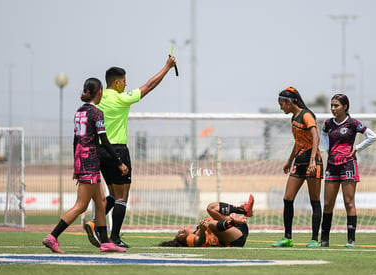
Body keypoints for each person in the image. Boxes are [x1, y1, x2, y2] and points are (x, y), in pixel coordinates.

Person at [84, 56, 177, 248]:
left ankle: (94, 223)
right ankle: (114, 237)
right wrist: (167, 67)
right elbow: (149, 86)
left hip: (100, 151)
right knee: (122, 197)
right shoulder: (121, 98)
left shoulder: (99, 99)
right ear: (116, 82)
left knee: (111, 194)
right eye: (125, 81)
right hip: (117, 150)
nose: (127, 84)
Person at [42, 78, 129, 253]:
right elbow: (104, 140)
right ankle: (52, 237)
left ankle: (105, 242)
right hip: (90, 162)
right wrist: (119, 163)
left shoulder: (79, 112)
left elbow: (76, 141)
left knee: (101, 201)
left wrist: (76, 166)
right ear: (100, 92)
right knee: (81, 205)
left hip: (84, 161)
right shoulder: (96, 113)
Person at [320, 94, 376, 248]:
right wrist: (328, 149)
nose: (333, 108)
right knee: (327, 204)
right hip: (332, 165)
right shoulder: (328, 123)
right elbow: (324, 133)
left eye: (336, 105)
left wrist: (357, 148)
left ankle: (351, 240)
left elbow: (373, 136)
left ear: (345, 107)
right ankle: (324, 240)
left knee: (349, 202)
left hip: (347, 165)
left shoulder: (353, 123)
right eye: (331, 105)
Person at [272, 86, 323, 248]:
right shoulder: (293, 118)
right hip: (299, 163)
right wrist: (289, 161)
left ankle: (315, 239)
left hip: (312, 162)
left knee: (314, 200)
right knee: (287, 198)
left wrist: (313, 161)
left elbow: (316, 137)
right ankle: (287, 238)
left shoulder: (306, 115)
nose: (280, 107)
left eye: (282, 104)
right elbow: (299, 142)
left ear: (289, 102)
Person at [159, 195, 254, 247]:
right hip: (235, 239)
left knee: (211, 208)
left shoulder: (198, 228)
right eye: (180, 236)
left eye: (178, 233)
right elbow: (199, 241)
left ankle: (244, 210)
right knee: (211, 224)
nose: (180, 232)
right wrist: (203, 231)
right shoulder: (191, 239)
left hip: (235, 226)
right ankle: (234, 221)